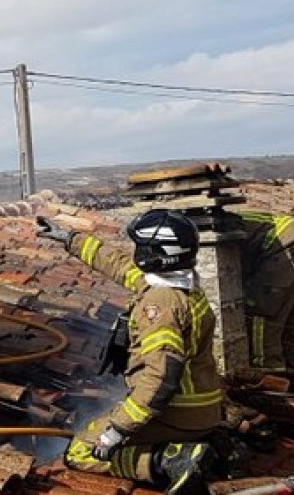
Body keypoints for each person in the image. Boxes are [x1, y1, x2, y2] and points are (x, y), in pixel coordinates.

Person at [36, 209, 223, 495]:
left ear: (155, 252)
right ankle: (207, 447)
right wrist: (71, 239)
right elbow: (121, 266)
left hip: (177, 413)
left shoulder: (159, 305)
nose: (136, 252)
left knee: (80, 452)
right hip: (204, 409)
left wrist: (117, 430)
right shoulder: (182, 283)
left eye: (140, 246)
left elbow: (160, 378)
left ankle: (169, 459)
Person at [228, 210, 294, 389]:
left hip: (288, 247)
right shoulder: (231, 218)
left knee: (260, 320)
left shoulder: (193, 228)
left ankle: (271, 383)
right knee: (292, 322)